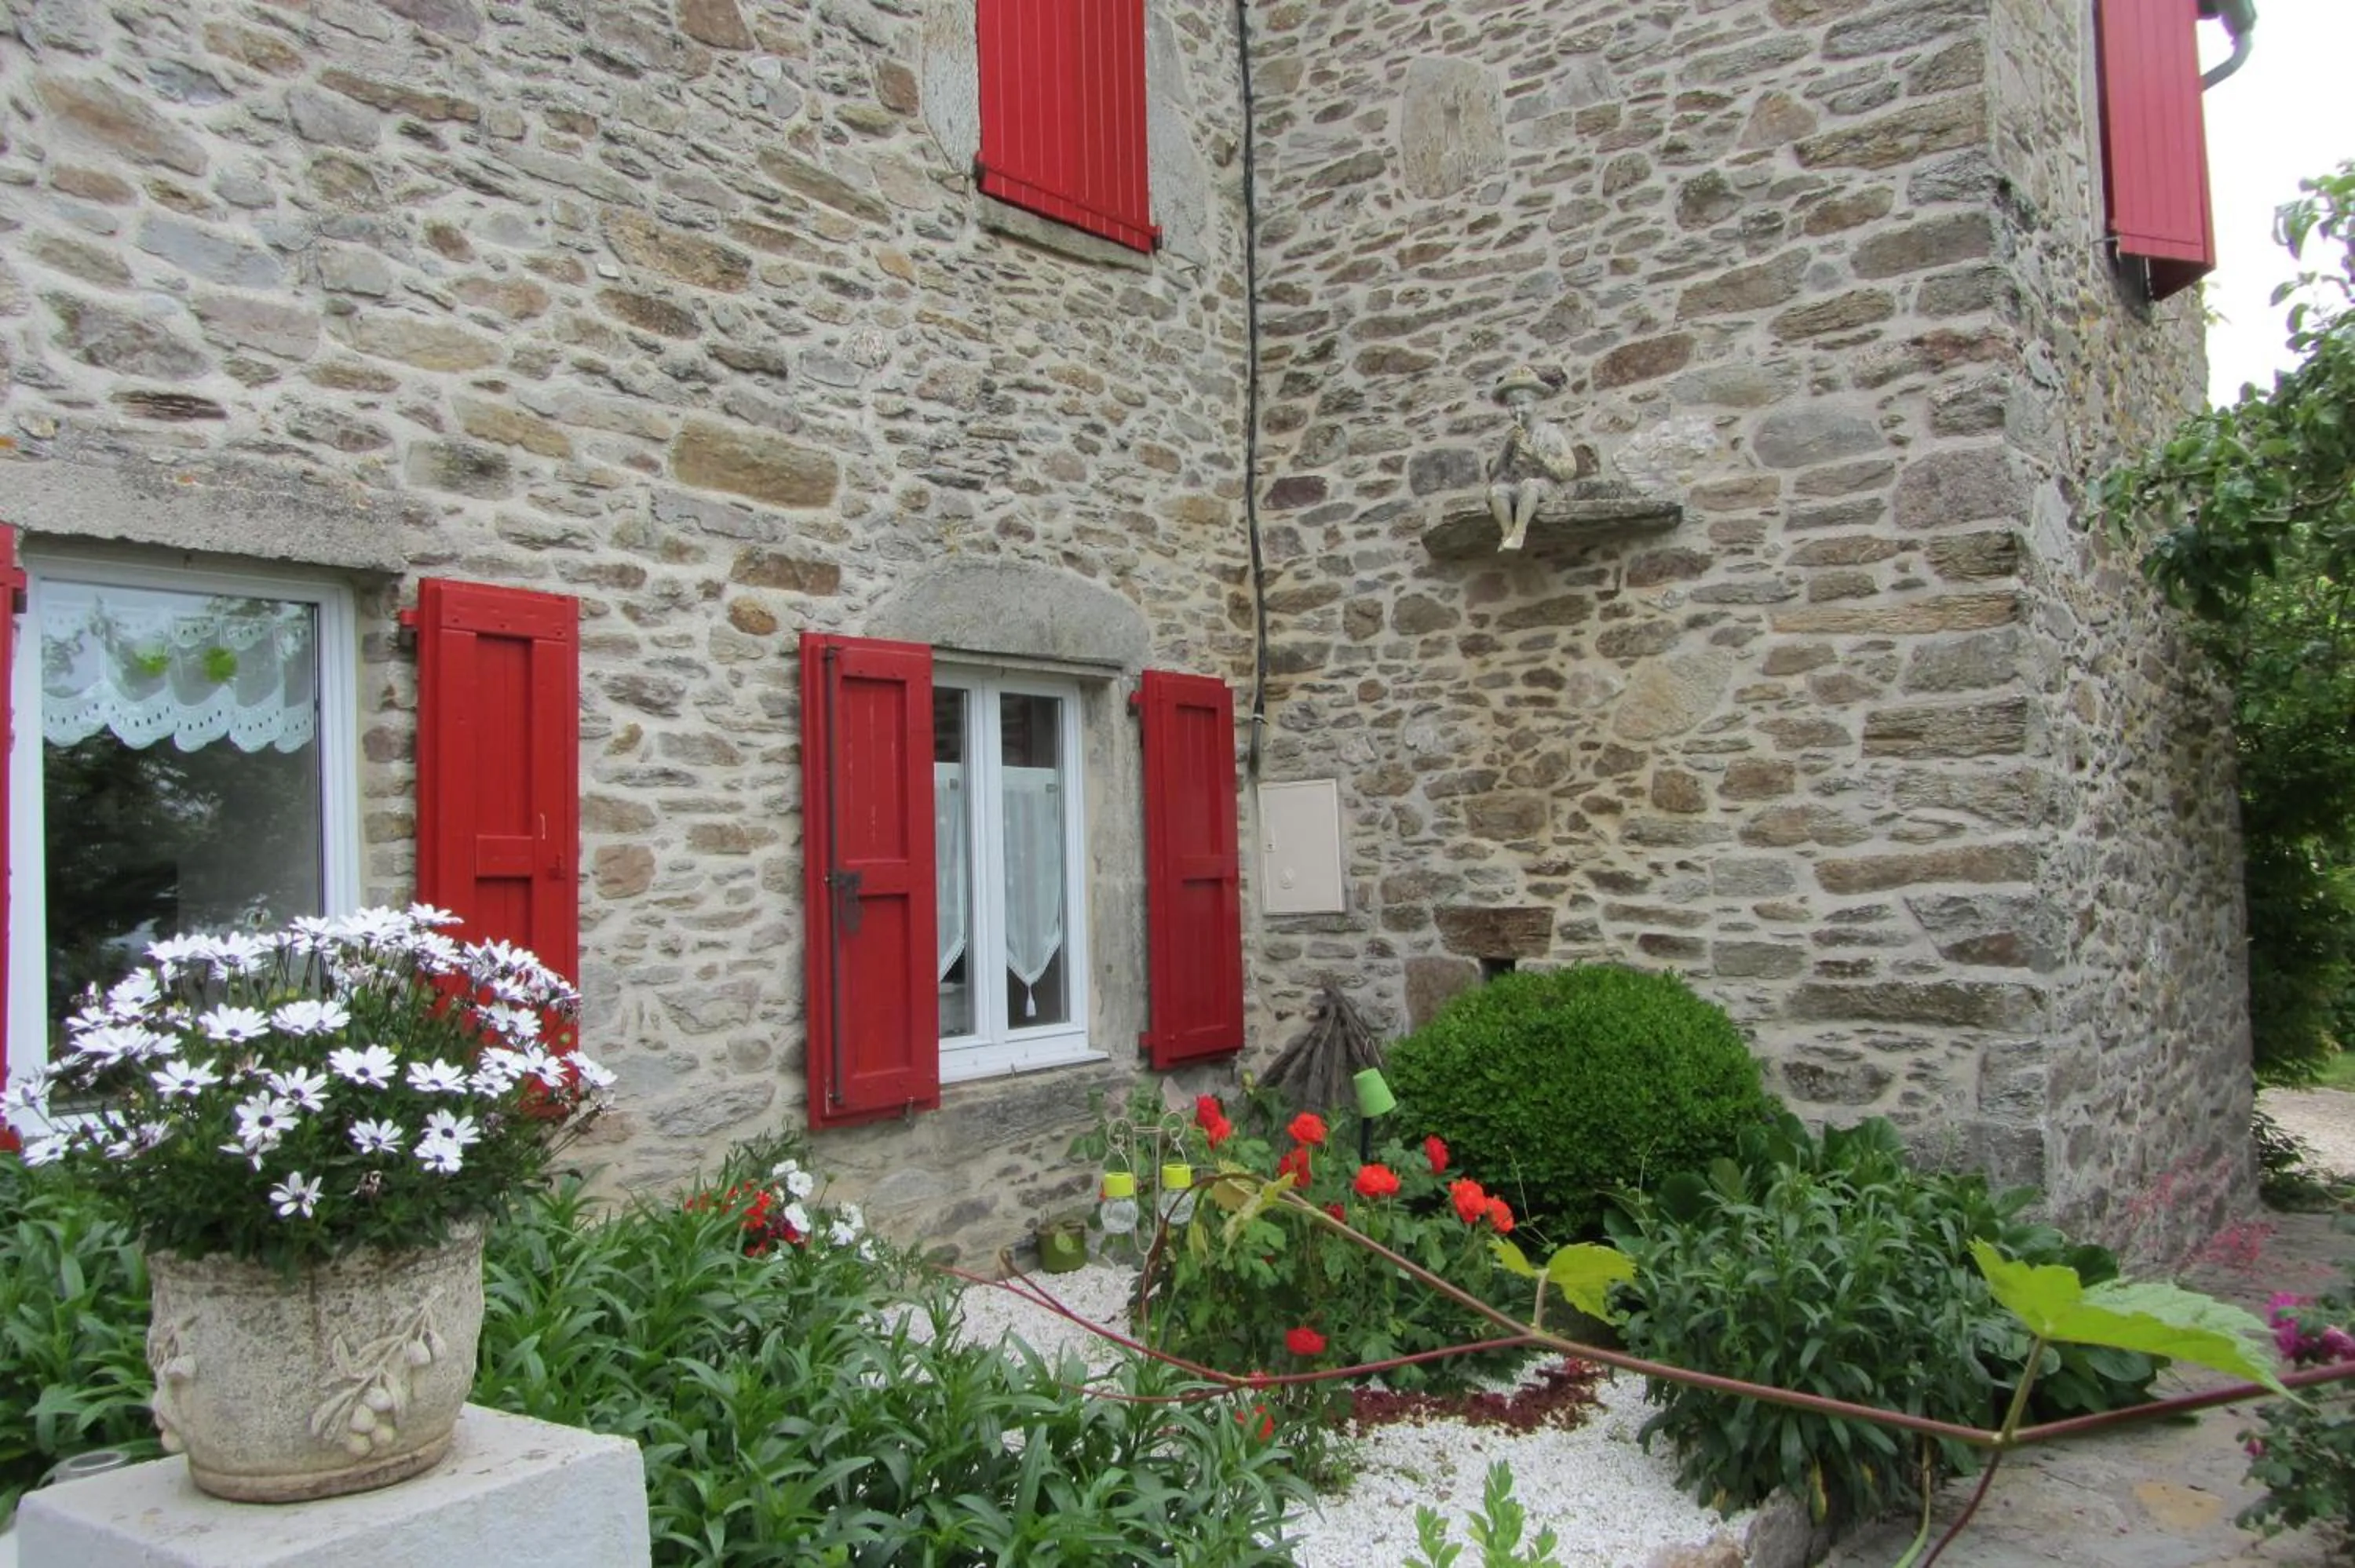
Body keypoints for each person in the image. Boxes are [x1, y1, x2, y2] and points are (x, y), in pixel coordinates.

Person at [1484, 365, 1594, 550]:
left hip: (1547, 487)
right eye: (1511, 406)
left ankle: (1520, 533)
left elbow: (1568, 470)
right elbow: (1494, 474)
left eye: (1521, 403)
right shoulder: (1512, 436)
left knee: (1531, 485)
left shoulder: (1549, 432)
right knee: (1497, 491)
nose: (1516, 410)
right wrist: (1507, 447)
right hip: (1518, 486)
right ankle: (1507, 533)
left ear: (1534, 403)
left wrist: (1536, 455)